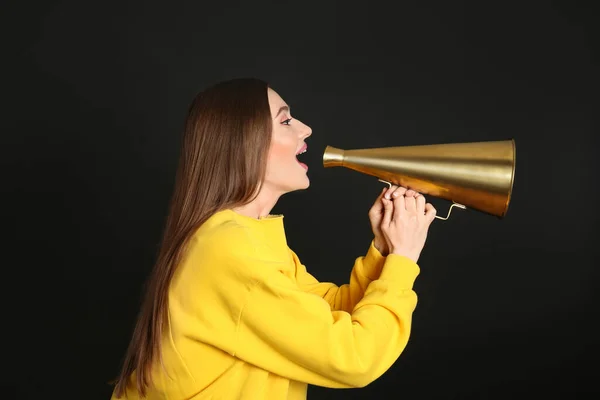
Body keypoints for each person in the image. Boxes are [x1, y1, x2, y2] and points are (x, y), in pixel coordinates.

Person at [111, 78, 437, 400]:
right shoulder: (229, 250)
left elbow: (328, 311)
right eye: (285, 120)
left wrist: (383, 250)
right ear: (244, 142)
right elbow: (354, 357)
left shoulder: (239, 237)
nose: (305, 128)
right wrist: (403, 259)